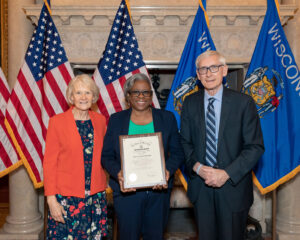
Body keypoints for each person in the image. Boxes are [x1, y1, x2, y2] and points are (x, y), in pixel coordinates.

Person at [180, 50, 265, 240]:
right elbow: (184, 142)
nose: (208, 73)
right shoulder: (189, 103)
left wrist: (226, 174)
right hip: (201, 189)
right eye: (203, 69)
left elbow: (255, 146)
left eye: (214, 68)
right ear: (198, 74)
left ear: (224, 71)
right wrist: (198, 167)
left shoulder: (243, 103)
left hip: (233, 189)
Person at [101, 73, 184, 240]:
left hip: (158, 194)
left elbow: (177, 152)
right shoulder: (116, 120)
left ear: (151, 96)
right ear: (128, 96)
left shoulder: (167, 118)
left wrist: (167, 170)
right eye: (136, 92)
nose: (141, 96)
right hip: (127, 194)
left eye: (146, 92)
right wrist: (118, 173)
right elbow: (107, 156)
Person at [43, 74, 108, 239]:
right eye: (78, 93)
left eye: (88, 92)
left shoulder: (100, 121)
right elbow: (49, 164)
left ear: (94, 97)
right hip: (67, 199)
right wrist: (51, 200)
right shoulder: (57, 122)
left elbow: (106, 156)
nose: (83, 97)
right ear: (71, 97)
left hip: (95, 197)